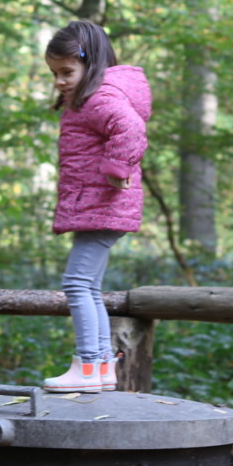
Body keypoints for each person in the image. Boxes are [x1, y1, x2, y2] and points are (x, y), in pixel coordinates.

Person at [42, 20, 152, 394]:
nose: (59, 80)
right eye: (54, 73)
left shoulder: (100, 98)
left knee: (76, 283)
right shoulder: (86, 99)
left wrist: (116, 167)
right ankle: (102, 366)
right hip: (97, 206)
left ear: (91, 63)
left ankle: (88, 364)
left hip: (104, 204)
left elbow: (131, 129)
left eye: (66, 72)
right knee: (88, 286)